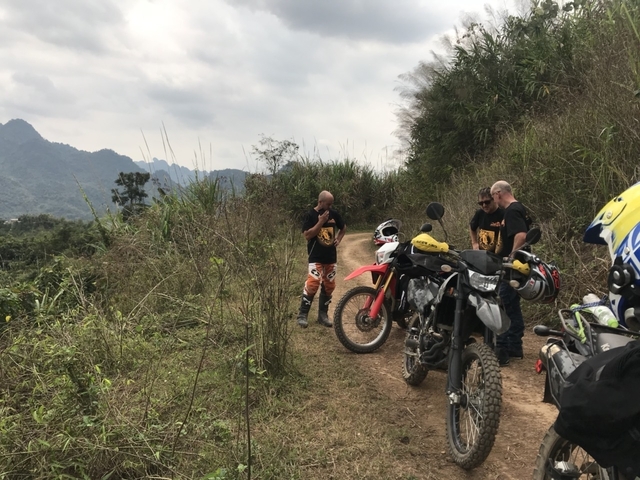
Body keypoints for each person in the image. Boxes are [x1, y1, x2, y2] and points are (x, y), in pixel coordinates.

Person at [491, 180, 531, 366]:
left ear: (498, 193)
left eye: (493, 196)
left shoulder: (512, 210)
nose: (494, 201)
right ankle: (515, 346)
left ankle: (502, 350)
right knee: (512, 305)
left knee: (503, 305)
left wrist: (511, 256)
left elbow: (521, 235)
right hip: (517, 266)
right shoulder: (518, 208)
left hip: (513, 267)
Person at [296, 190, 347, 328]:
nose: (330, 206)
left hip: (330, 257)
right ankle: (302, 315)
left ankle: (322, 315)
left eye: (331, 204)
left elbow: (343, 228)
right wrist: (321, 222)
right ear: (320, 202)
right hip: (315, 256)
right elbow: (307, 235)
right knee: (312, 284)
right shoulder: (310, 215)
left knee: (329, 286)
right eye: (328, 204)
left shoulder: (334, 214)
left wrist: (339, 239)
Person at [469, 187, 503, 252]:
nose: (484, 205)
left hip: (500, 257)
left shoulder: (504, 213)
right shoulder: (479, 213)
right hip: (482, 255)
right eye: (481, 203)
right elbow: (472, 226)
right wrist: (474, 243)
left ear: (494, 199)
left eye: (487, 202)